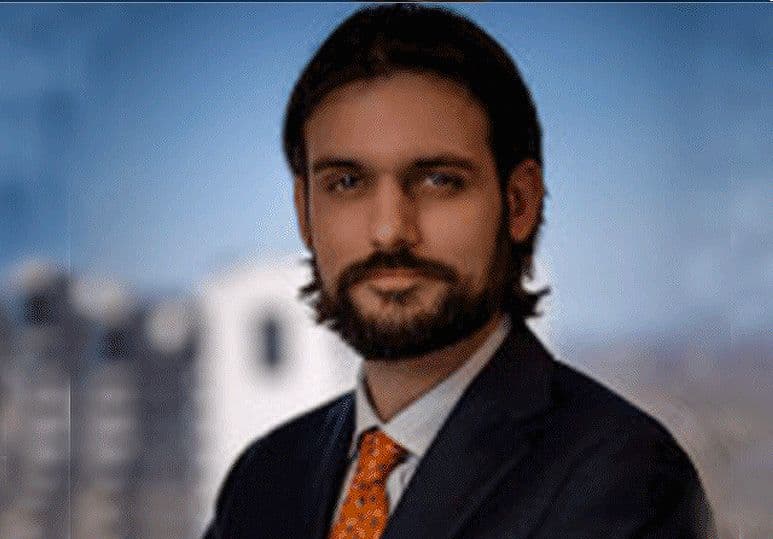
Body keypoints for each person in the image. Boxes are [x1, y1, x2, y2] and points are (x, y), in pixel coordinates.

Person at [204, 5, 715, 538]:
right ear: (305, 211)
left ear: (519, 203)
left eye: (438, 180)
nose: (389, 231)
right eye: (347, 183)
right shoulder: (264, 479)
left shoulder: (626, 481)